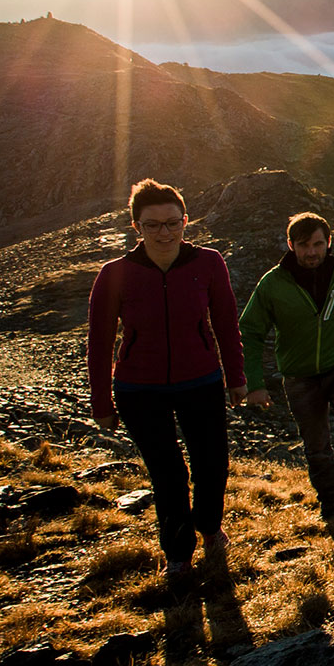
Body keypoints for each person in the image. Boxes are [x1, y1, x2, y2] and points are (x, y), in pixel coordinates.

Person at [87, 179, 246, 584]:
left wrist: (237, 378)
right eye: (153, 225)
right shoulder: (114, 274)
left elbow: (226, 323)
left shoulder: (208, 263)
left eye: (173, 223)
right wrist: (101, 404)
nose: (165, 232)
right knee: (168, 474)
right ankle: (177, 556)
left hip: (202, 380)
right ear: (136, 226)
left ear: (186, 221)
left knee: (212, 464)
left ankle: (210, 527)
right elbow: (100, 341)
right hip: (139, 390)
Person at [240, 211, 334, 521]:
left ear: (329, 243)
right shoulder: (272, 284)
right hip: (299, 375)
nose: (311, 252)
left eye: (318, 244)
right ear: (290, 245)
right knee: (316, 445)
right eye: (303, 245)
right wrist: (254, 383)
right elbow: (250, 332)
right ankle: (330, 502)